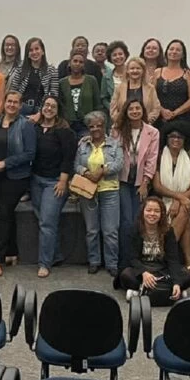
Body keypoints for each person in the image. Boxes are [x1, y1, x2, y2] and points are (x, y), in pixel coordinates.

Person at [0, 91, 37, 277]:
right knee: (7, 213)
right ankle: (11, 252)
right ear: (4, 103)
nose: (12, 105)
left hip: (16, 177)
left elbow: (30, 154)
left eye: (16, 102)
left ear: (21, 105)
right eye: (9, 101)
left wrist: (6, 163)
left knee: (4, 213)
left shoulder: (26, 125)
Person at [30, 96, 77, 278]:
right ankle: (56, 255)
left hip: (55, 182)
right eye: (46, 105)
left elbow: (68, 158)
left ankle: (45, 263)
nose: (48, 108)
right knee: (43, 219)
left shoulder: (65, 131)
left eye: (53, 106)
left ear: (58, 110)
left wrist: (63, 181)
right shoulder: (34, 128)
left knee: (46, 223)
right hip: (36, 180)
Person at [116, 197, 190, 306]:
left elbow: (173, 259)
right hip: (142, 270)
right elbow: (132, 257)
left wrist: (177, 282)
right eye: (149, 210)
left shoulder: (168, 231)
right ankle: (170, 291)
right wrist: (144, 273)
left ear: (162, 214)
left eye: (157, 211)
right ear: (143, 211)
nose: (152, 214)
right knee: (126, 275)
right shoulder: (134, 229)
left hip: (162, 271)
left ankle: (142, 292)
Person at [74, 110, 124, 277]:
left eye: (99, 125)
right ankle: (94, 261)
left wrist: (102, 171)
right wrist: (87, 172)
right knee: (92, 230)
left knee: (110, 230)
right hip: (88, 191)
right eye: (92, 126)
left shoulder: (114, 144)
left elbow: (119, 163)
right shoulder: (83, 144)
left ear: (105, 127)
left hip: (109, 190)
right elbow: (76, 165)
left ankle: (112, 263)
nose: (95, 129)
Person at [151, 125, 190, 281]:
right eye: (172, 136)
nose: (176, 140)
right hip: (162, 200)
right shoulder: (159, 156)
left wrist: (179, 201)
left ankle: (165, 255)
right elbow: (157, 186)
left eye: (179, 137)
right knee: (188, 222)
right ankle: (188, 262)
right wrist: (179, 199)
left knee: (185, 209)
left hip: (183, 201)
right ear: (167, 139)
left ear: (184, 141)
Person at [113, 99, 160, 261]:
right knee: (126, 220)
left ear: (143, 111)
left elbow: (152, 159)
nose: (134, 111)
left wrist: (146, 182)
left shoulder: (152, 132)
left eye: (137, 108)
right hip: (122, 180)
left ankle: (140, 257)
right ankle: (125, 259)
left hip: (141, 182)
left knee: (139, 219)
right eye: (131, 109)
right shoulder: (117, 130)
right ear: (126, 112)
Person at [155, 40, 190, 147]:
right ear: (166, 52)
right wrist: (162, 110)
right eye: (171, 49)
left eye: (178, 50)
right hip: (160, 117)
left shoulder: (187, 73)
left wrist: (175, 113)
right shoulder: (158, 72)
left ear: (182, 54)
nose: (174, 52)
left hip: (182, 118)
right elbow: (152, 96)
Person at [8, 37, 58, 122]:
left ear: (43, 51)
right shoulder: (20, 69)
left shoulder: (52, 70)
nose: (34, 52)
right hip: (21, 109)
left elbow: (54, 95)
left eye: (37, 49)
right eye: (31, 50)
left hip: (42, 110)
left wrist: (40, 114)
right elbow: (13, 91)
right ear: (27, 54)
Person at [58, 52, 102, 138]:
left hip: (87, 125)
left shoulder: (92, 80)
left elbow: (97, 105)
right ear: (70, 63)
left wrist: (96, 122)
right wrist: (63, 121)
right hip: (67, 125)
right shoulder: (62, 83)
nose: (78, 64)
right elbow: (60, 104)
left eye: (81, 62)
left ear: (84, 65)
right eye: (75, 61)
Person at [110, 57, 160, 126]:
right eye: (132, 68)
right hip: (123, 127)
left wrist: (147, 121)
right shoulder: (119, 88)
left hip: (145, 126)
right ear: (127, 71)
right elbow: (113, 108)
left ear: (143, 70)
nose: (135, 71)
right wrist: (120, 121)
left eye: (138, 68)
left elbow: (156, 108)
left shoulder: (150, 88)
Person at [101, 41, 129, 114]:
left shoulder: (133, 73)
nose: (118, 57)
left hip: (133, 111)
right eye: (114, 55)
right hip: (114, 114)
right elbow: (104, 98)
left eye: (120, 54)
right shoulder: (106, 77)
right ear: (110, 58)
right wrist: (112, 108)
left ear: (125, 55)